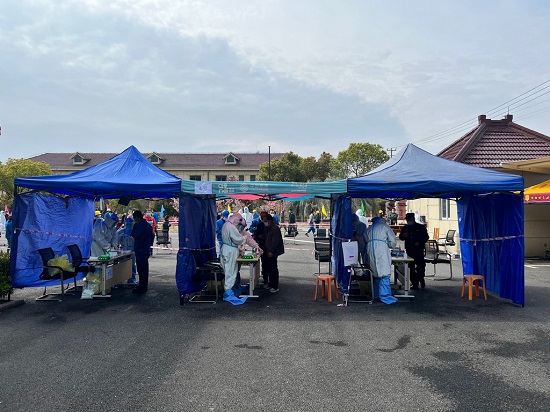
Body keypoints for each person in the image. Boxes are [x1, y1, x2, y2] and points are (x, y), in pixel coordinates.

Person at [220, 212, 261, 301]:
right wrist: (244, 238)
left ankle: (233, 288)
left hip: (227, 250)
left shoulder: (226, 225)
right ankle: (228, 292)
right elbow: (238, 239)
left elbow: (245, 236)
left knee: (231, 271)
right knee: (231, 272)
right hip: (230, 251)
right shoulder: (231, 227)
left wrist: (255, 245)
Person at [364, 216, 398, 304]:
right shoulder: (385, 227)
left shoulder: (369, 229)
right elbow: (392, 241)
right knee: (384, 273)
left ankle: (375, 294)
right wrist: (391, 246)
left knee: (375, 273)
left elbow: (364, 240)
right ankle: (385, 296)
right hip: (381, 249)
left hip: (370, 250)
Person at [399, 212, 430, 289]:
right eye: (407, 220)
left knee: (420, 266)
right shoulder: (405, 227)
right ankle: (414, 283)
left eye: (409, 219)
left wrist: (419, 242)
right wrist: (404, 236)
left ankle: (421, 279)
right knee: (410, 267)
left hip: (418, 250)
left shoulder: (420, 227)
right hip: (409, 250)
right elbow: (401, 237)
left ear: (413, 219)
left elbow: (426, 237)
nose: (408, 221)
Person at [130, 210, 152, 293]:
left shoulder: (140, 226)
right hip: (145, 248)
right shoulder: (147, 225)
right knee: (144, 269)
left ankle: (142, 286)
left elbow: (135, 235)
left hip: (140, 249)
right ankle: (144, 285)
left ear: (136, 217)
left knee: (141, 269)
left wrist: (134, 227)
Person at [262, 214, 284, 293]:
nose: (264, 222)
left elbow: (275, 241)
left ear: (270, 220)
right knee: (270, 269)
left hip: (273, 252)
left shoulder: (275, 228)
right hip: (270, 251)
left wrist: (271, 251)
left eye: (265, 221)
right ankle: (271, 284)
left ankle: (275, 286)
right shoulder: (271, 227)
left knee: (273, 269)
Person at [116, 217, 138, 285]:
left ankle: (132, 279)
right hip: (123, 250)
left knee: (132, 265)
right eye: (127, 224)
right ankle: (120, 279)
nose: (129, 226)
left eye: (130, 224)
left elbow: (139, 240)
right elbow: (116, 240)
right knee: (122, 265)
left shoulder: (135, 231)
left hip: (132, 250)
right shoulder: (121, 231)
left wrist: (133, 239)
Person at [252, 211, 269, 285]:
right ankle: (265, 278)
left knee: (268, 263)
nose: (263, 218)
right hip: (262, 245)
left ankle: (268, 278)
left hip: (268, 246)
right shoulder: (259, 224)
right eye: (262, 217)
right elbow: (256, 234)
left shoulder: (270, 225)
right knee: (264, 263)